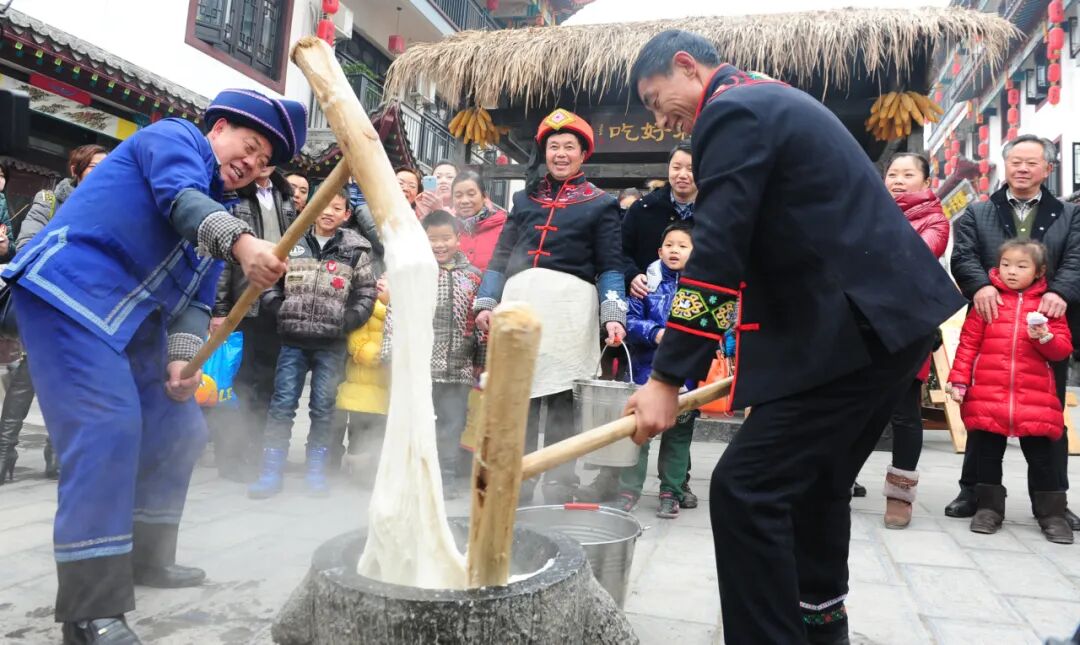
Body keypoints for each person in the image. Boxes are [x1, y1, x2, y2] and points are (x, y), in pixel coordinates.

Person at [624, 31, 964, 643]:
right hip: (878, 325)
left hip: (855, 331)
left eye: (656, 100)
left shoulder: (731, 110)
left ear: (686, 66)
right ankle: (822, 630)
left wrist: (667, 377)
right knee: (815, 489)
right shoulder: (767, 97)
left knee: (744, 490)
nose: (661, 120)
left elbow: (718, 249)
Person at [1, 88, 303, 643]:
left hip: (133, 324)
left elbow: (195, 301)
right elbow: (179, 200)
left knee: (179, 427)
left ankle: (147, 555)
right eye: (250, 145)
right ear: (219, 128)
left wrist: (182, 362)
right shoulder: (175, 139)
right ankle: (90, 612)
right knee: (106, 429)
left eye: (263, 162)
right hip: (70, 294)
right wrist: (244, 245)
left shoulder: (223, 210)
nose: (251, 163)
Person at [474, 108, 627, 504]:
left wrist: (613, 315)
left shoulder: (601, 204)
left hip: (570, 311)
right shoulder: (524, 200)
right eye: (554, 146)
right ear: (545, 152)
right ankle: (518, 478)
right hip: (521, 305)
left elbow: (611, 265)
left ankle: (560, 480)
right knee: (519, 393)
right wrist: (486, 302)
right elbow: (501, 255)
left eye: (569, 147)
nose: (561, 154)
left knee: (563, 398)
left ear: (583, 153)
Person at [948, 134, 1080, 531]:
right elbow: (964, 255)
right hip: (992, 320)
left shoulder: (1069, 214)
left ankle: (1054, 500)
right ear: (1005, 165)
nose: (1022, 169)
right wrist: (980, 286)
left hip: (1045, 327)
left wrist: (1060, 292)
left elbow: (1076, 259)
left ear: (1048, 169)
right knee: (983, 411)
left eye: (1031, 163)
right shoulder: (979, 211)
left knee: (1048, 415)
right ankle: (973, 492)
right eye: (1015, 162)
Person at [248, 187, 376, 499]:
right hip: (292, 340)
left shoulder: (356, 249)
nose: (328, 212)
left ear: (347, 215)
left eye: (337, 208)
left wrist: (347, 321)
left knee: (322, 407)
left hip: (331, 343)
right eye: (324, 205)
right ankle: (271, 470)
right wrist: (280, 309)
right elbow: (268, 283)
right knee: (282, 405)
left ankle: (315, 471)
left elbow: (366, 292)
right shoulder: (291, 241)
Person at [948, 239, 1074, 544]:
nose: (1012, 271)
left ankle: (1052, 514)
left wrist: (1044, 337)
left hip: (1035, 396)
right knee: (988, 455)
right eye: (1005, 265)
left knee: (1042, 458)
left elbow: (1062, 351)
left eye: (1021, 266)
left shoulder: (1048, 307)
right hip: (989, 393)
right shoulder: (988, 303)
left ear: (1039, 271)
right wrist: (959, 379)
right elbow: (968, 344)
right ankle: (988, 509)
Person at [0, 144, 108, 484]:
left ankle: (53, 450)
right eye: (95, 167)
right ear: (76, 170)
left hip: (87, 302)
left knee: (70, 376)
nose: (102, 173)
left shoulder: (111, 205)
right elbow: (28, 244)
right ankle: (7, 450)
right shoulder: (50, 201)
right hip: (48, 296)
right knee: (33, 369)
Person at [854, 153, 950, 529]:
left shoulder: (935, 220)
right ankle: (840, 480)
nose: (897, 180)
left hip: (908, 326)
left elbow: (913, 258)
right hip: (862, 322)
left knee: (905, 413)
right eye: (892, 173)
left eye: (908, 174)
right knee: (855, 407)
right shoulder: (869, 210)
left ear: (925, 182)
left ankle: (900, 495)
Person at [382, 210, 482, 498]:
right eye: (432, 239)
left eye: (445, 238)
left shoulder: (473, 277)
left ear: (458, 239)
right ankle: (413, 476)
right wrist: (390, 353)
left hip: (459, 367)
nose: (439, 245)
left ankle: (445, 478)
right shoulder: (412, 272)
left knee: (453, 424)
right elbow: (395, 313)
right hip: (419, 366)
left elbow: (480, 322)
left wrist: (482, 359)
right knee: (417, 422)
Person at [211, 165, 298, 482]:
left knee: (267, 384)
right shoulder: (234, 195)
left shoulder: (285, 196)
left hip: (276, 304)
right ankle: (230, 457)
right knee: (239, 384)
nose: (263, 161)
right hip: (242, 302)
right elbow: (221, 259)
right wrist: (220, 308)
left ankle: (255, 452)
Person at [617, 222, 697, 518]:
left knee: (678, 436)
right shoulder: (644, 284)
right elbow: (630, 320)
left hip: (686, 374)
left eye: (683, 246)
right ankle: (628, 490)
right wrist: (654, 332)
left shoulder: (701, 288)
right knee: (638, 433)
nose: (675, 250)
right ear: (659, 250)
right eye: (669, 245)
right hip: (644, 371)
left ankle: (671, 491)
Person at [331, 273, 390, 475]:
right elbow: (356, 338)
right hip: (362, 382)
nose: (382, 284)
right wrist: (368, 352)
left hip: (387, 384)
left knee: (379, 429)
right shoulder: (368, 308)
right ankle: (356, 464)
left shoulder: (401, 311)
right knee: (359, 426)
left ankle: (373, 466)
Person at [452, 169, 507, 272]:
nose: (464, 201)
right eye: (458, 196)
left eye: (471, 194)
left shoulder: (504, 229)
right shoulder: (449, 229)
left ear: (484, 196)